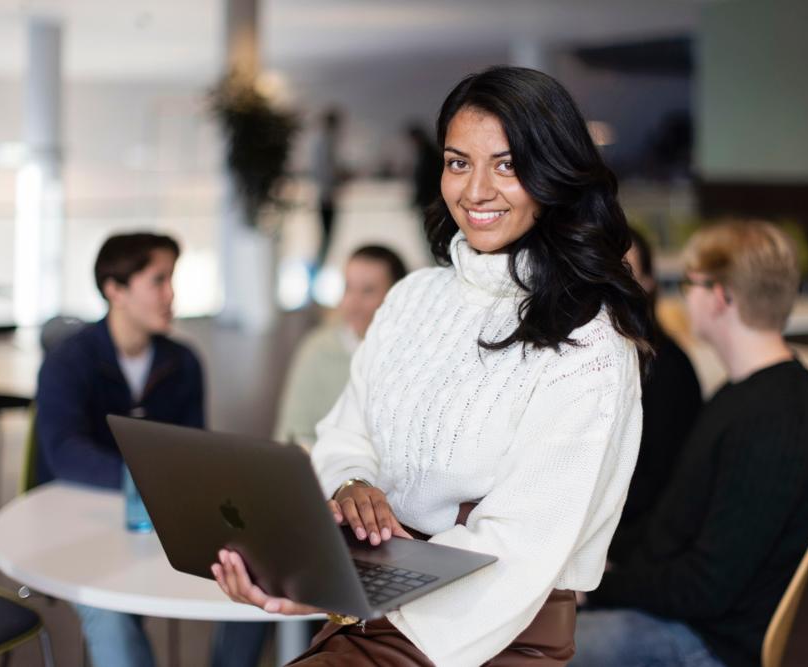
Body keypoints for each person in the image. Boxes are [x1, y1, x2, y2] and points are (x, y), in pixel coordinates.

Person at [213, 65, 653, 665]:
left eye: (506, 164)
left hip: (489, 631)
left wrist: (340, 591)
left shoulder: (590, 343)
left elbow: (519, 550)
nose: (475, 191)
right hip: (378, 605)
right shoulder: (413, 297)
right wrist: (350, 484)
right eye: (457, 162)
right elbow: (346, 430)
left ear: (556, 172)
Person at [573, 221, 808, 667]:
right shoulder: (748, 394)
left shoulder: (772, 423)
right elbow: (678, 522)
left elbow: (707, 588)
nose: (682, 297)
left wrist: (598, 588)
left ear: (719, 296)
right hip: (687, 613)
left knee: (529, 647)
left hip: (706, 642)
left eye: (689, 285)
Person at [35, 233, 263, 667]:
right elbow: (63, 452)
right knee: (110, 615)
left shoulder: (184, 362)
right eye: (158, 280)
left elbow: (196, 449)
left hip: (163, 524)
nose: (171, 294)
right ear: (114, 290)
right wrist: (150, 478)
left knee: (258, 577)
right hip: (83, 525)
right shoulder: (68, 362)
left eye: (171, 279)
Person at [274, 244, 407, 448]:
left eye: (368, 291)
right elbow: (292, 434)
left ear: (397, 296)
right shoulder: (317, 349)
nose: (352, 304)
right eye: (348, 288)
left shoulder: (414, 354)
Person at [618, 227, 702, 530]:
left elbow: (657, 485)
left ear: (648, 285)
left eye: (625, 271)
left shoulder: (665, 368)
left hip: (641, 536)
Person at [312, 107, 345, 268]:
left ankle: (321, 267)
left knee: (327, 237)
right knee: (326, 237)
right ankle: (320, 268)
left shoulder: (322, 141)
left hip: (325, 193)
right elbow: (327, 170)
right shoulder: (326, 142)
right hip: (326, 195)